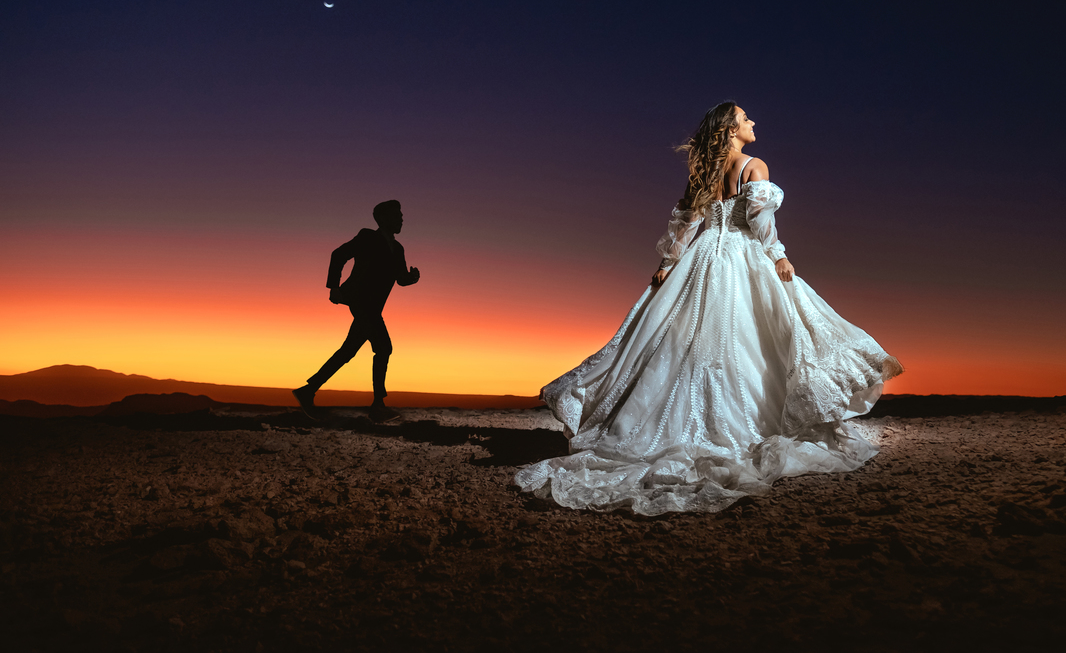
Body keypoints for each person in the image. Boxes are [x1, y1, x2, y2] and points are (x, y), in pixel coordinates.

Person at [516, 102, 903, 514]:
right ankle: (747, 424)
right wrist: (778, 256)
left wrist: (668, 264)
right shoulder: (756, 166)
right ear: (731, 129)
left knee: (687, 340)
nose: (753, 122)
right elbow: (760, 221)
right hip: (741, 257)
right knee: (749, 337)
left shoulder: (705, 172)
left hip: (701, 259)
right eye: (746, 118)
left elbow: (685, 222)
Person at [293, 199, 420, 423]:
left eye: (401, 215)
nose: (401, 219)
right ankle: (378, 406)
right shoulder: (367, 237)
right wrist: (333, 287)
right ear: (382, 219)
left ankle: (308, 390)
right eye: (396, 215)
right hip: (360, 302)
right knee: (383, 347)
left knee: (348, 351)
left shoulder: (398, 249)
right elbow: (338, 254)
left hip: (373, 307)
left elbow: (400, 279)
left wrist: (412, 278)